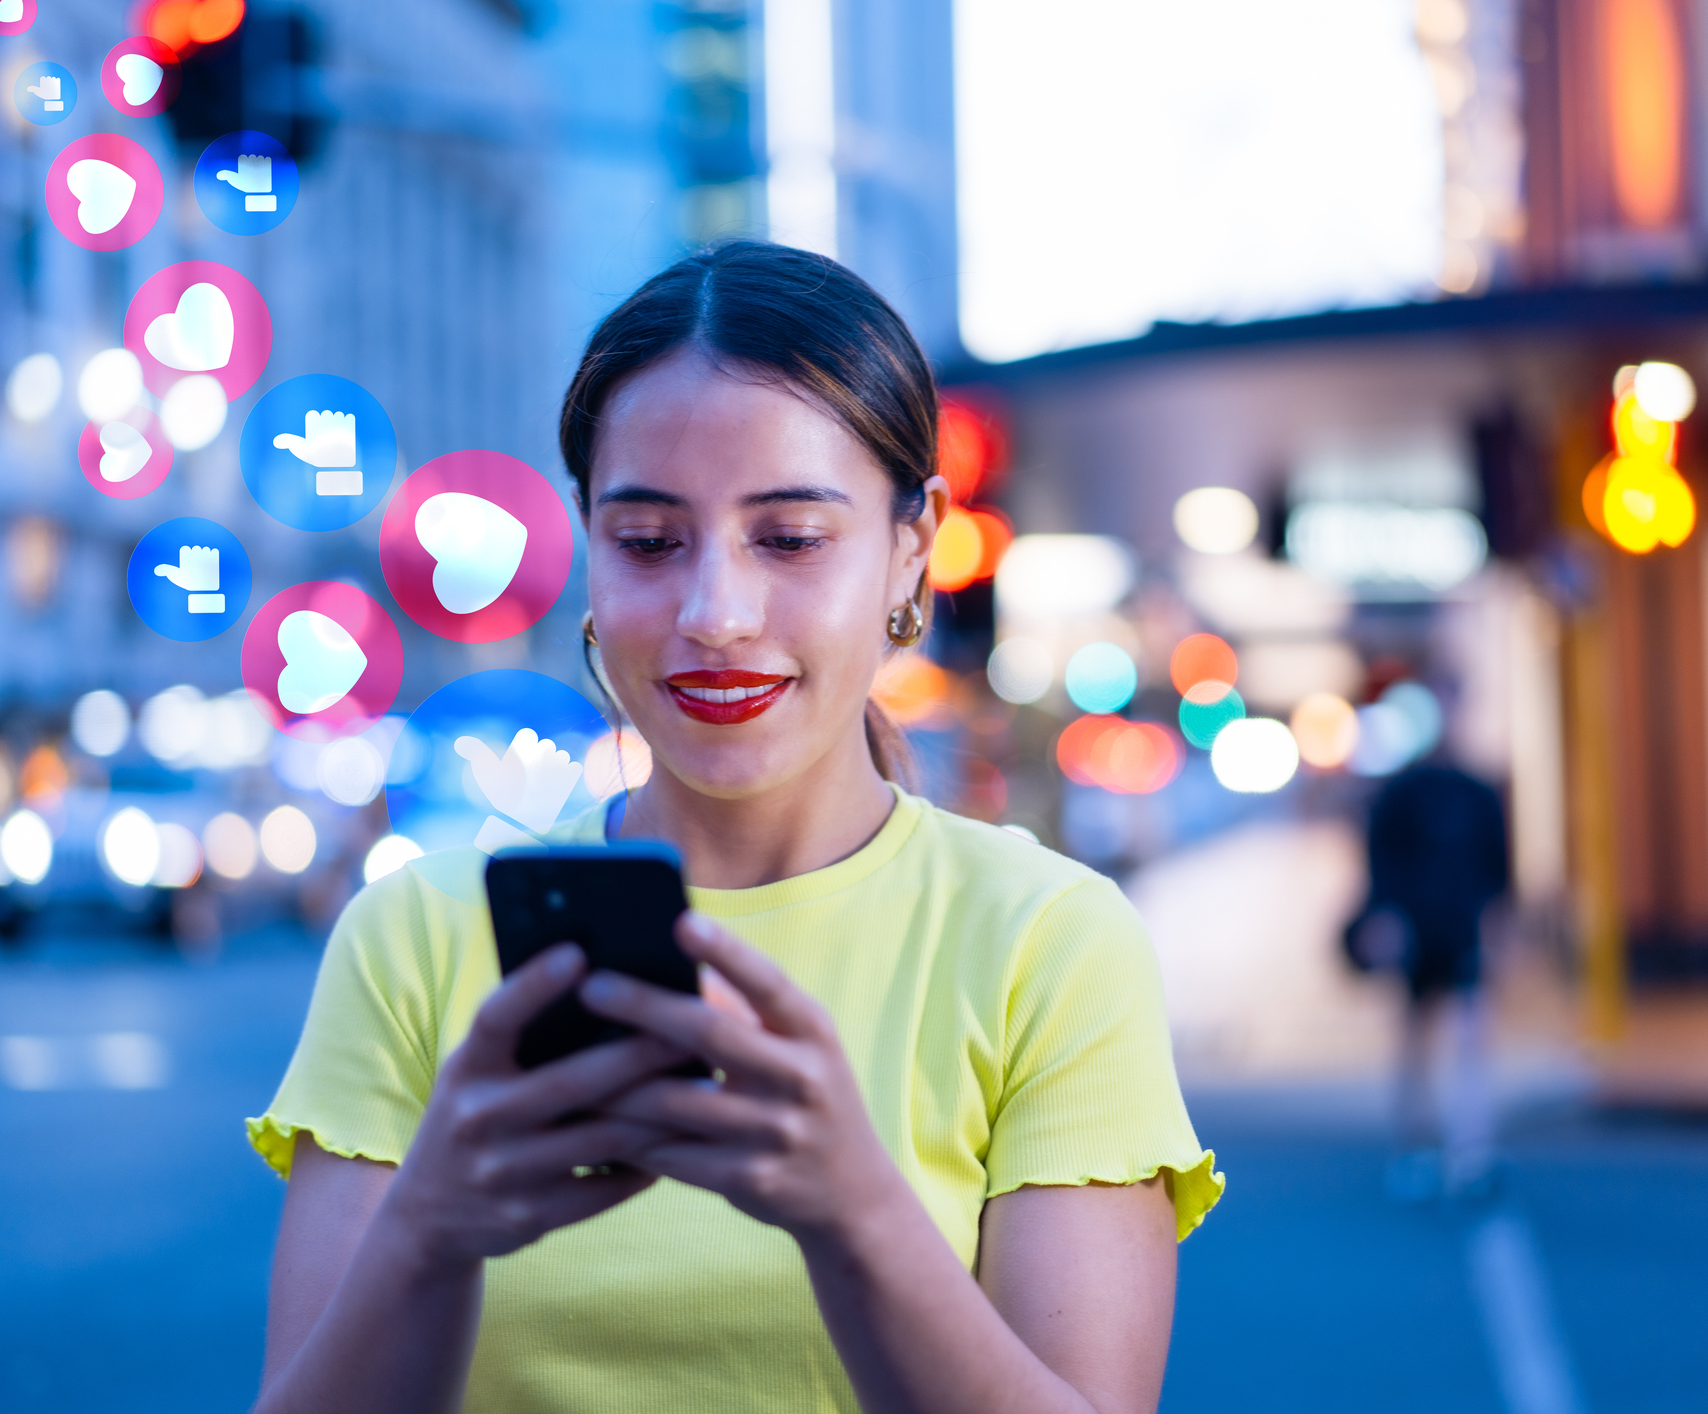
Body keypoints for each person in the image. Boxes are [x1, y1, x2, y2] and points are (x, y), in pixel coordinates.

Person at [245, 241, 1220, 1414]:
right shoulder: (416, 939)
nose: (715, 612)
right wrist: (428, 1238)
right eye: (649, 541)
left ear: (913, 549)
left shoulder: (1046, 944)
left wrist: (853, 1211)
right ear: (590, 548)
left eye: (791, 538)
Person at [1348, 748, 1509, 1200]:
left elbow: (1497, 868)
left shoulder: (1474, 791)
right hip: (1418, 933)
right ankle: (1416, 1146)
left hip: (1463, 931)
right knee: (1417, 1042)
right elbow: (1380, 866)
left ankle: (1471, 1147)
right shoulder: (1404, 791)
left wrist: (1499, 931)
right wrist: (1386, 920)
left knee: (1470, 1036)